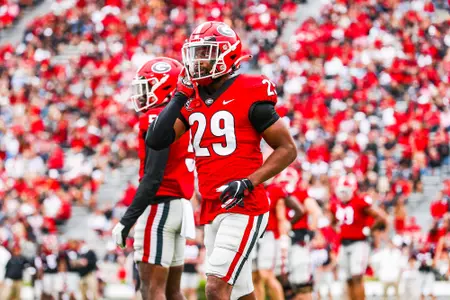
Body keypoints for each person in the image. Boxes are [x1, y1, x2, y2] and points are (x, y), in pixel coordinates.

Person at [146, 21, 297, 300]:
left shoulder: (251, 89)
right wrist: (179, 94)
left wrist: (249, 182)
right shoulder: (191, 97)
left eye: (205, 53)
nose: (198, 61)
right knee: (240, 292)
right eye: (196, 53)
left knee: (216, 287)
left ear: (226, 55)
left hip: (245, 205)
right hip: (211, 206)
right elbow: (156, 139)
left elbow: (287, 149)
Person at [112, 57, 195, 300]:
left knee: (151, 291)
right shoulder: (184, 116)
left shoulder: (155, 117)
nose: (141, 94)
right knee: (173, 292)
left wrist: (127, 220)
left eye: (147, 86)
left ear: (165, 87)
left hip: (160, 208)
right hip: (181, 207)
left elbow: (153, 177)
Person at [330, 174, 388, 300]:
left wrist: (369, 229)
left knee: (357, 276)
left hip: (359, 243)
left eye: (346, 190)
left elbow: (381, 217)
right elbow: (333, 221)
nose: (343, 194)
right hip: (344, 244)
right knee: (348, 278)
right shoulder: (335, 205)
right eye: (341, 191)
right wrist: (337, 229)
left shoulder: (359, 202)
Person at [252, 180, 303, 300]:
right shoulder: (251, 187)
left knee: (266, 274)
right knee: (254, 277)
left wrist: (283, 238)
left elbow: (281, 217)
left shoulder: (275, 189)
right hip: (253, 235)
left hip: (269, 235)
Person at [287, 181, 324, 300]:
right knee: (290, 281)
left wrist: (312, 231)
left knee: (302, 281)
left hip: (299, 239)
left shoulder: (301, 194)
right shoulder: (277, 192)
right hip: (286, 240)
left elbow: (315, 212)